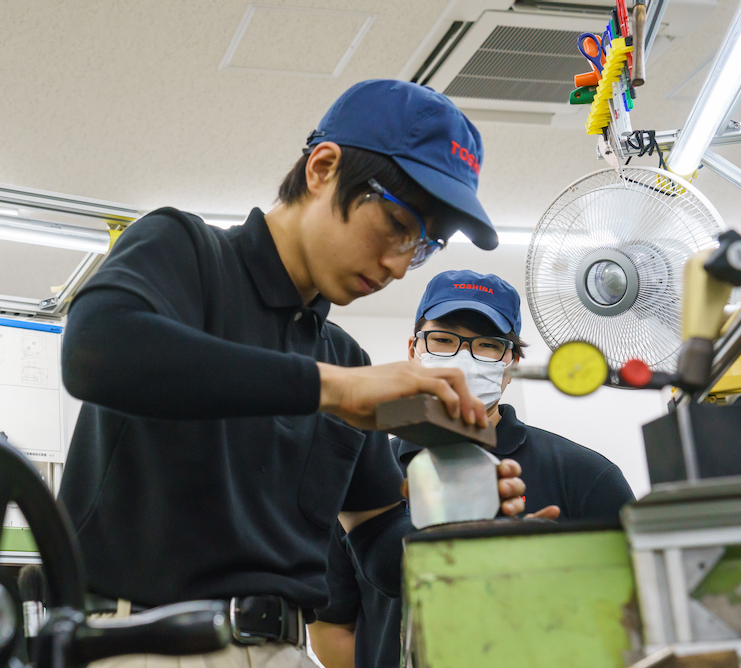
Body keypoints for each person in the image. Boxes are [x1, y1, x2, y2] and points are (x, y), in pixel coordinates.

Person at [58, 81, 537, 668]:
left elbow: (380, 552)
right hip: (142, 641)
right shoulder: (185, 251)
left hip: (282, 650)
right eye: (393, 223)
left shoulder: (347, 359)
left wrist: (461, 536)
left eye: (421, 247)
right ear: (323, 168)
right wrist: (329, 389)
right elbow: (96, 351)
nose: (396, 265)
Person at [309, 270, 636, 668]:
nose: (463, 358)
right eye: (444, 340)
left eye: (487, 346)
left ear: (511, 363)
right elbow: (332, 629)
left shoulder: (584, 476)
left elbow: (633, 614)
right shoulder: (364, 477)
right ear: (414, 349)